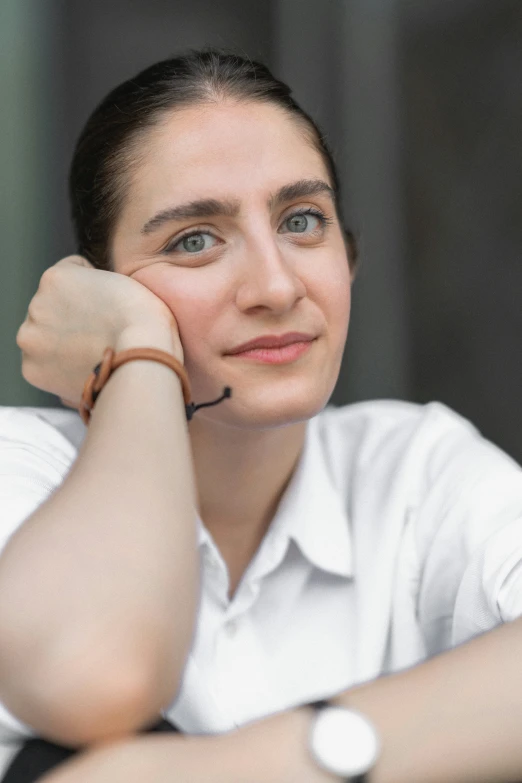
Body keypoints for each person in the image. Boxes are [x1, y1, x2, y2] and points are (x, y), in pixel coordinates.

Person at [0, 48, 522, 783]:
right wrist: (137, 354)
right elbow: (92, 672)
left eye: (303, 220)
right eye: (193, 240)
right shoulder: (18, 471)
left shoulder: (412, 469)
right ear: (100, 294)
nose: (275, 286)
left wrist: (314, 754)